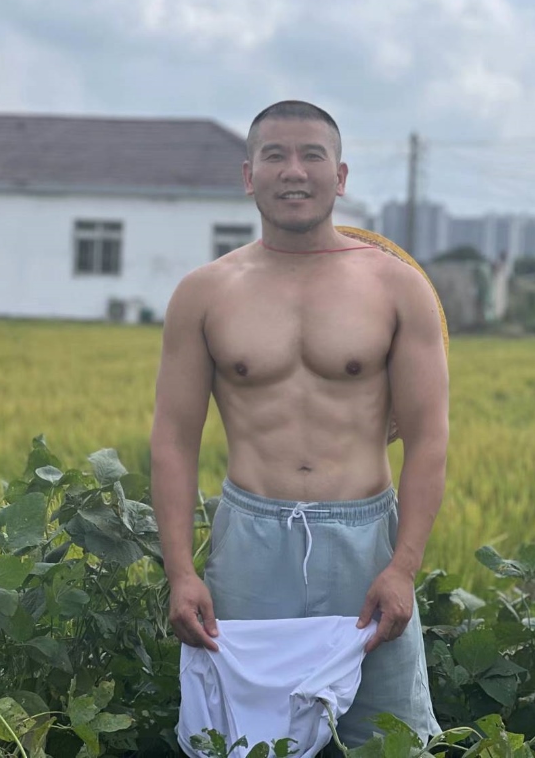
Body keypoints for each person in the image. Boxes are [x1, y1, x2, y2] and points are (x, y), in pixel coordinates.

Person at [150, 100, 449, 747]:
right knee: (245, 739)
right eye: (275, 155)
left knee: (388, 739)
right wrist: (180, 572)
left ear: (339, 176)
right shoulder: (205, 292)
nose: (294, 170)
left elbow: (429, 440)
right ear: (248, 175)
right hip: (250, 543)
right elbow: (173, 439)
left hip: (366, 541)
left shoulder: (398, 287)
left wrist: (403, 567)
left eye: (312, 155)